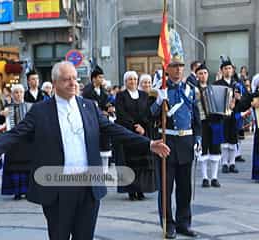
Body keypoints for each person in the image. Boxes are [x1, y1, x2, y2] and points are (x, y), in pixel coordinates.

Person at [0, 61, 170, 240]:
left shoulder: (89, 106)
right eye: (67, 80)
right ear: (55, 84)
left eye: (75, 78)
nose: (73, 83)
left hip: (88, 187)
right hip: (57, 188)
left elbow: (115, 130)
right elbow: (16, 134)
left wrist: (148, 143)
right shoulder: (40, 111)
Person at [151, 55, 202, 239]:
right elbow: (149, 115)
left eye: (181, 66)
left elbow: (197, 118)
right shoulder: (159, 90)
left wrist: (198, 139)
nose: (179, 69)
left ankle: (184, 223)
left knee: (184, 188)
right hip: (167, 143)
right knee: (166, 188)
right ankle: (168, 224)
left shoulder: (190, 90)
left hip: (186, 143)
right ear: (167, 69)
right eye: (174, 66)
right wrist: (158, 102)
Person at [115, 71, 157, 201]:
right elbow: (121, 114)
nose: (132, 81)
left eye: (134, 79)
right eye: (129, 79)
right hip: (127, 133)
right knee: (129, 163)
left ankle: (141, 189)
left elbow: (147, 113)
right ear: (125, 82)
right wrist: (134, 126)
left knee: (141, 164)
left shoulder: (144, 95)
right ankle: (131, 191)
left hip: (142, 132)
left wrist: (143, 126)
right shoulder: (121, 96)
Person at [0, 84, 32, 200]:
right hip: (13, 141)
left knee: (28, 166)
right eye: (16, 92)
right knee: (13, 165)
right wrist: (2, 115)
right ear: (12, 95)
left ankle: (28, 190)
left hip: (27, 141)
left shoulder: (30, 106)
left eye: (20, 92)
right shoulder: (8, 108)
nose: (18, 95)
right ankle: (16, 190)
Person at [82, 65, 115, 172]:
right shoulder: (87, 91)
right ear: (94, 78)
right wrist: (101, 111)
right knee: (94, 148)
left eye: (102, 77)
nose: (102, 79)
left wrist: (109, 108)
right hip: (92, 122)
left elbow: (106, 103)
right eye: (100, 77)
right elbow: (87, 108)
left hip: (103, 122)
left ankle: (105, 171)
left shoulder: (103, 91)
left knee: (105, 148)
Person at [195, 64, 222, 188]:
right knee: (203, 150)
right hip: (202, 122)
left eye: (205, 73)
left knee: (215, 150)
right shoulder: (194, 90)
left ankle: (214, 178)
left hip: (215, 122)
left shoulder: (214, 88)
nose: (203, 75)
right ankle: (205, 178)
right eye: (200, 73)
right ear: (197, 75)